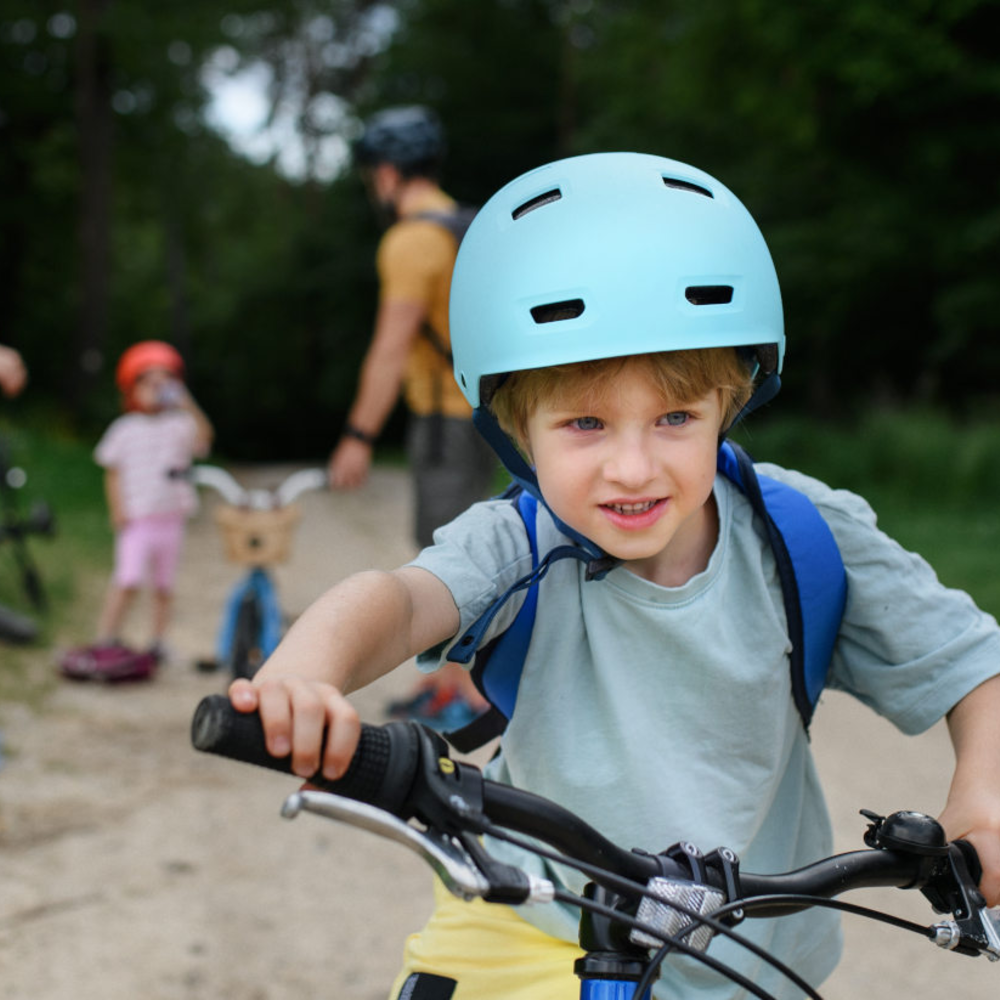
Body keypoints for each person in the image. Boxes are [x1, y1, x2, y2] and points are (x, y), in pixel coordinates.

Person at [229, 153, 1000, 999]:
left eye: (675, 417)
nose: (633, 468)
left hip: (753, 963)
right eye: (586, 423)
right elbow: (399, 599)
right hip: (529, 918)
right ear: (519, 430)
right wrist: (309, 672)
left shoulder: (805, 536)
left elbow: (975, 665)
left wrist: (984, 793)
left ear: (730, 405)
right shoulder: (518, 545)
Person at [328, 105, 493, 729]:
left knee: (445, 555)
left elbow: (390, 345)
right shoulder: (463, 225)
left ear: (389, 172)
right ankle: (450, 684)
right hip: (477, 410)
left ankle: (468, 699)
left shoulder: (410, 239)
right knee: (454, 543)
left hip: (444, 418)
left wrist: (358, 434)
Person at [60, 340, 213, 681]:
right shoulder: (124, 429)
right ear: (132, 388)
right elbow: (113, 473)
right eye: (149, 382)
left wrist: (185, 401)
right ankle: (106, 637)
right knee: (128, 579)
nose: (158, 389)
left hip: (171, 518)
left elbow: (204, 436)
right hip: (138, 520)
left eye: (166, 381)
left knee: (164, 585)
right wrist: (119, 510)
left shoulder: (180, 424)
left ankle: (158, 641)